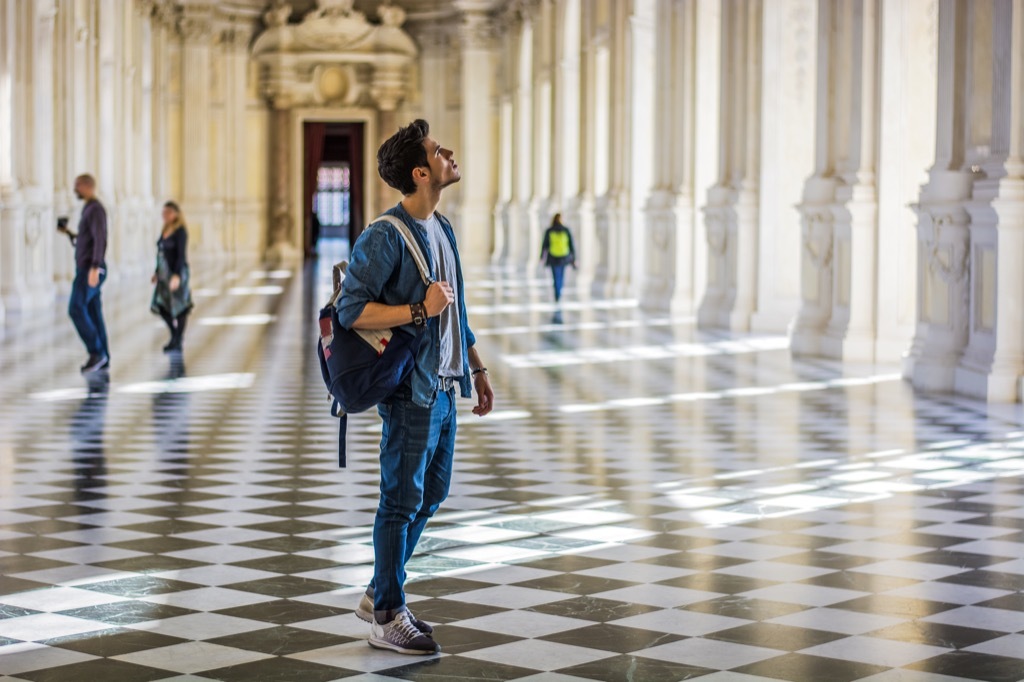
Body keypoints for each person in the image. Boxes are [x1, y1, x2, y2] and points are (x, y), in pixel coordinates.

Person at [336, 119, 495, 656]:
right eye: (437, 150)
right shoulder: (385, 235)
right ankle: (385, 614)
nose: (449, 152)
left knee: (432, 493)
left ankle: (382, 588)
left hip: (448, 385)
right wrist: (415, 309)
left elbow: (457, 309)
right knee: (400, 501)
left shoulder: (442, 228)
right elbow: (350, 310)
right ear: (421, 172)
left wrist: (477, 367)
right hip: (412, 390)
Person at [60, 174, 110, 373]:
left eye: (77, 186)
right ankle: (103, 355)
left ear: (87, 186)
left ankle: (96, 352)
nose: (75, 191)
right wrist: (69, 233)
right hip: (88, 266)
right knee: (93, 312)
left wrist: (95, 267)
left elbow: (100, 239)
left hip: (90, 269)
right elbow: (87, 240)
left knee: (76, 308)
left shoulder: (96, 209)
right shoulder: (89, 208)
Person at [150, 201, 194, 352]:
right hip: (163, 274)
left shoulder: (180, 231)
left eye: (168, 212)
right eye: (164, 212)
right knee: (162, 305)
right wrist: (157, 272)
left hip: (177, 272)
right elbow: (161, 254)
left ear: (176, 213)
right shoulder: (165, 230)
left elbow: (181, 255)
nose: (165, 215)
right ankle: (175, 335)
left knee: (180, 306)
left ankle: (177, 339)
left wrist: (176, 275)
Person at [539, 213, 576, 302]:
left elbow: (545, 245)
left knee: (555, 276)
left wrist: (542, 257)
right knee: (561, 276)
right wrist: (574, 258)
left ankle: (557, 294)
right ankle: (559, 292)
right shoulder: (566, 230)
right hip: (563, 257)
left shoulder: (549, 230)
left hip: (553, 256)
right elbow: (571, 245)